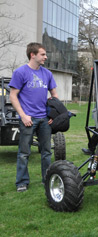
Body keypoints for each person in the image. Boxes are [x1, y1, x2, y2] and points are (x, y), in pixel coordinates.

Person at [9, 42, 58, 192]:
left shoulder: (47, 74)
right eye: (43, 54)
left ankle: (47, 179)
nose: (46, 57)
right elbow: (13, 96)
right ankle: (22, 182)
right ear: (33, 55)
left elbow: (54, 95)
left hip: (44, 119)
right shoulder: (20, 72)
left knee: (47, 152)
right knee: (24, 153)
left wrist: (52, 114)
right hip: (28, 119)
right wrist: (23, 115)